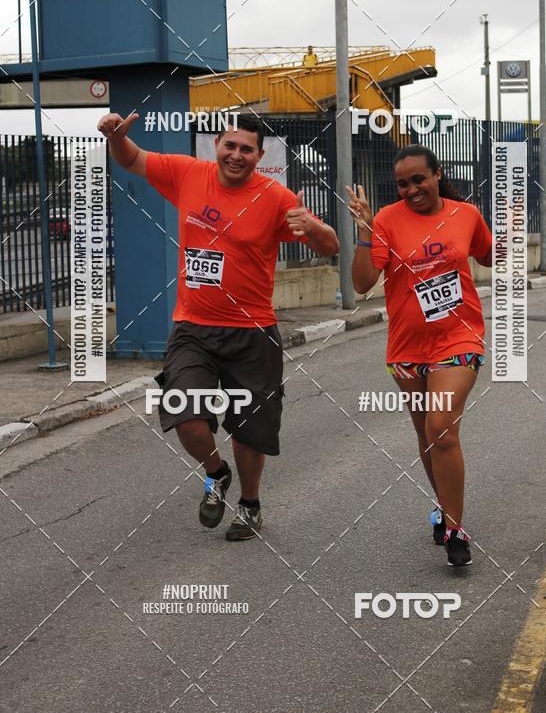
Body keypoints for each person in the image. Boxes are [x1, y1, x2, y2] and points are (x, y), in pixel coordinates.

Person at [97, 112, 339, 540]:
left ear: (259, 156)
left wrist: (314, 227)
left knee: (250, 430)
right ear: (216, 146)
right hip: (194, 327)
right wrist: (117, 137)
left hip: (253, 333)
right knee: (183, 412)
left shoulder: (274, 196)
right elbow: (131, 159)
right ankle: (216, 472)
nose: (236, 155)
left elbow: (330, 245)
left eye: (247, 149)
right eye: (230, 145)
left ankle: (250, 504)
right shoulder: (188, 173)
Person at [346, 144, 492, 566]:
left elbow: (487, 251)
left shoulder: (465, 215)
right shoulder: (387, 220)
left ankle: (455, 530)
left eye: (419, 179)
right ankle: (445, 510)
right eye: (402, 184)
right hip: (407, 350)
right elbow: (361, 284)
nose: (412, 189)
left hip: (458, 340)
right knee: (427, 435)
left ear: (437, 175)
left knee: (442, 427)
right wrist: (364, 230)